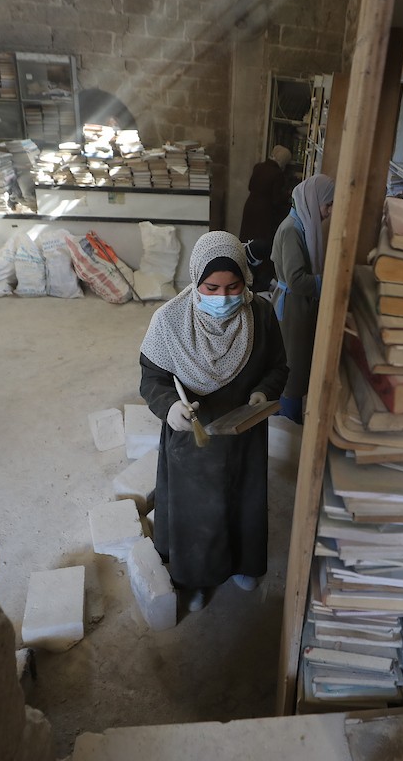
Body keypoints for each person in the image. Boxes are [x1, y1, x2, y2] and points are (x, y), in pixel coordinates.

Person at [138, 230, 289, 614]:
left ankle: (242, 564)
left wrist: (263, 392)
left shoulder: (260, 315)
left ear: (245, 279)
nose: (223, 297)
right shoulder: (169, 321)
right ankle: (195, 578)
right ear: (195, 282)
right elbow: (152, 378)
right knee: (197, 512)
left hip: (243, 433)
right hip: (193, 436)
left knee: (242, 502)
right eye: (211, 288)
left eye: (233, 287)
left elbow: (278, 366)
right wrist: (170, 407)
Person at [270, 174, 336, 424]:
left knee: (296, 367)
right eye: (327, 205)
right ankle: (288, 424)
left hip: (298, 306)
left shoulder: (302, 225)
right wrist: (328, 282)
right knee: (293, 371)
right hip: (292, 309)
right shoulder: (292, 230)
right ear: (313, 199)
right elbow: (296, 279)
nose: (329, 212)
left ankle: (285, 421)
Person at [238, 145, 293, 244]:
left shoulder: (258, 167)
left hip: (250, 205)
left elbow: (250, 186)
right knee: (259, 241)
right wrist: (288, 195)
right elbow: (276, 199)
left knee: (247, 236)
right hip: (264, 211)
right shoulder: (277, 174)